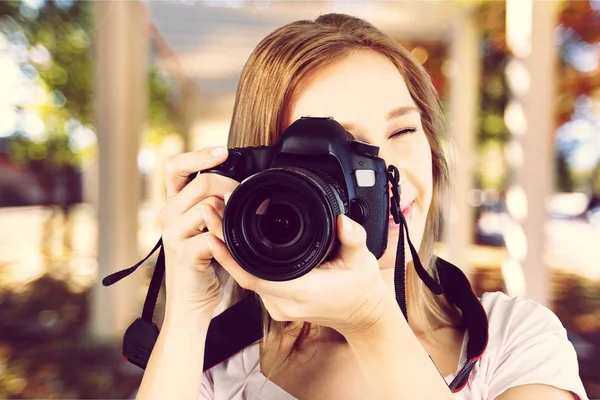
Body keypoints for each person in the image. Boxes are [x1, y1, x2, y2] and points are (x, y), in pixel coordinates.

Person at [135, 13, 588, 400]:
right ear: (261, 181)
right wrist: (187, 314)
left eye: (403, 132)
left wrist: (372, 323)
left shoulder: (518, 338)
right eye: (343, 151)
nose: (385, 172)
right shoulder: (215, 365)